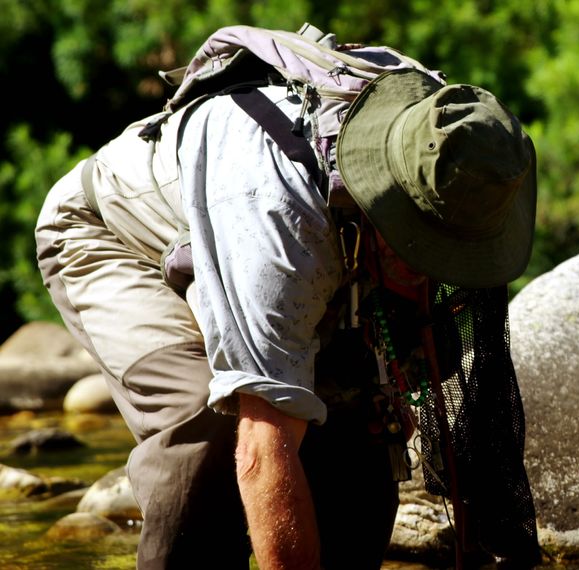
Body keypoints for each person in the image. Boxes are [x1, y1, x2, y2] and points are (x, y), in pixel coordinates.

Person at [35, 44, 540, 569]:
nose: (437, 268)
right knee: (205, 434)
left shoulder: (469, 155)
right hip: (113, 234)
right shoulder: (279, 221)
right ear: (385, 210)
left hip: (298, 240)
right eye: (426, 249)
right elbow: (261, 450)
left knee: (360, 454)